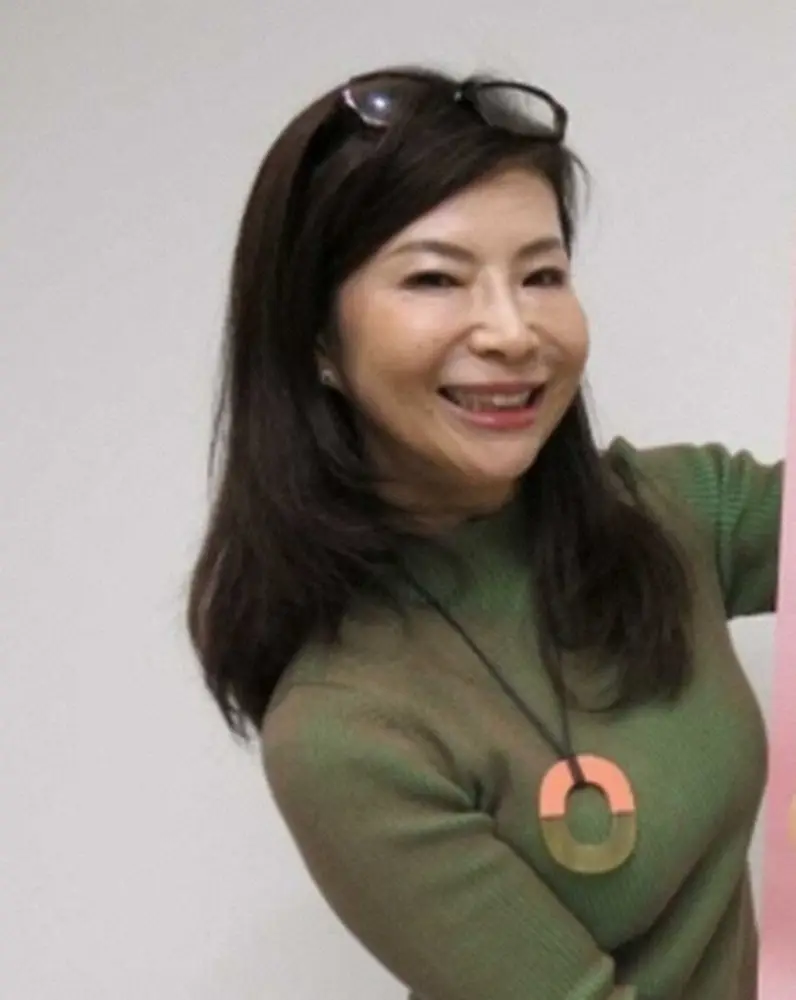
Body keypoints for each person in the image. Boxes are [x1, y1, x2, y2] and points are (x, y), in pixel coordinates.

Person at [186, 64, 782, 1000]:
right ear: (316, 341)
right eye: (435, 278)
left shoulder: (674, 511)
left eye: (542, 274)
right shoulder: (346, 728)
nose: (511, 331)